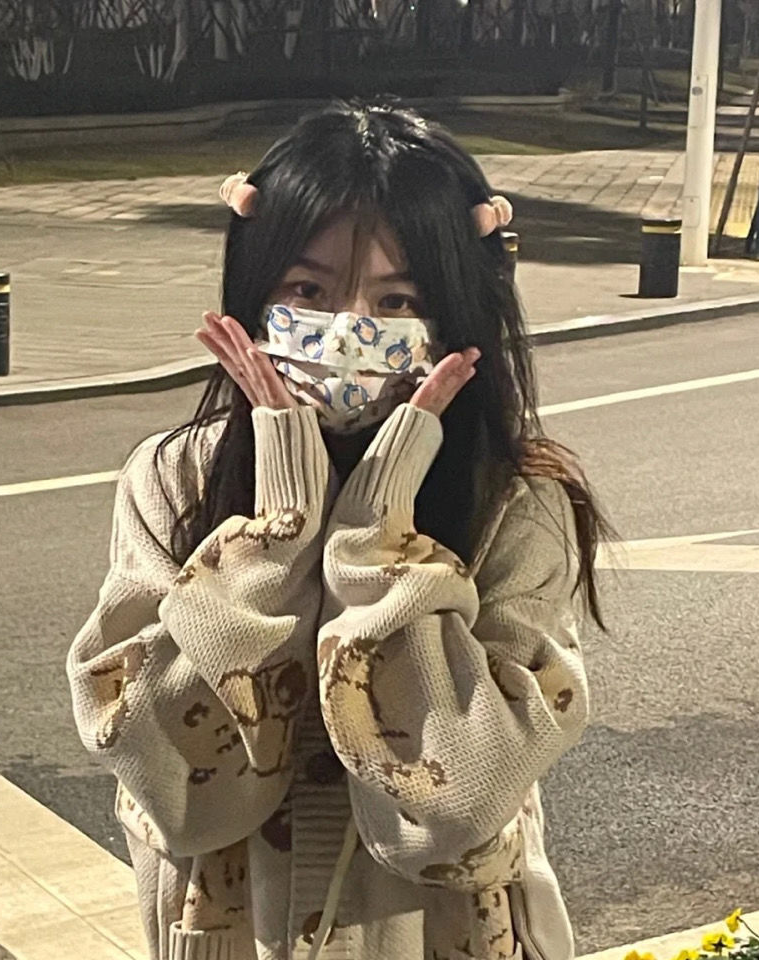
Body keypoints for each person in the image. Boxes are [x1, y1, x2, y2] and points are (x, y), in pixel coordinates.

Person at [66, 100, 616, 960]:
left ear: (455, 318)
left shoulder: (516, 502)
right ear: (255, 295)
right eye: (308, 292)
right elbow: (175, 788)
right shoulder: (174, 481)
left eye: (398, 300)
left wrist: (377, 536)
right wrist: (276, 530)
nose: (349, 332)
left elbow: (457, 803)